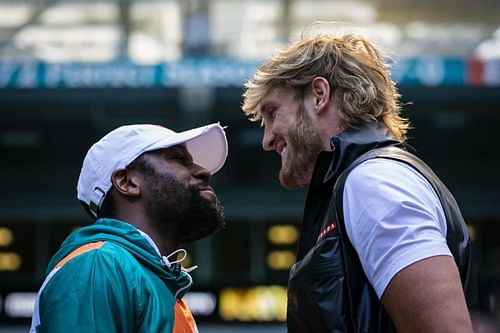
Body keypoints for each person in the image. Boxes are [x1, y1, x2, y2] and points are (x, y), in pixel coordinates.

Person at [241, 28, 478, 332]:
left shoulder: (373, 182)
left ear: (319, 95)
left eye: (272, 113)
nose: (266, 139)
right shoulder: (359, 181)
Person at [30, 122, 228, 332]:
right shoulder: (98, 264)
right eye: (179, 159)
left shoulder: (153, 282)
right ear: (127, 183)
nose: (204, 171)